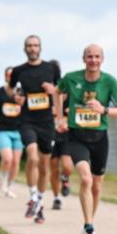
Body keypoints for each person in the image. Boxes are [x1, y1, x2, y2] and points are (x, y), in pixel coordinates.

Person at [55, 43, 117, 234]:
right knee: (85, 179)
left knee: (97, 185)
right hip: (76, 136)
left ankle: (90, 221)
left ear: (102, 60)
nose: (93, 60)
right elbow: (56, 92)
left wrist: (103, 109)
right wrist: (59, 117)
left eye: (97, 57)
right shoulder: (71, 78)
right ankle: (89, 229)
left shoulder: (110, 82)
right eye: (89, 57)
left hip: (100, 138)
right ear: (83, 59)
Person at [8, 35, 61, 224]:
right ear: (24, 49)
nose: (32, 48)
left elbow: (60, 92)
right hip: (27, 120)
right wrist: (16, 97)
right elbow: (11, 90)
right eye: (29, 45)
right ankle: (32, 197)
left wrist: (53, 90)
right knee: (32, 157)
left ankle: (39, 203)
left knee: (45, 167)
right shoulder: (18, 71)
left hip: (46, 121)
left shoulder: (51, 68)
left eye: (35, 45)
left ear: (40, 48)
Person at [0, 67, 24, 198]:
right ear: (5, 77)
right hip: (3, 130)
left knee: (15, 162)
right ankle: (3, 179)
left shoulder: (21, 93)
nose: (11, 78)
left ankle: (10, 186)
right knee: (7, 159)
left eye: (13, 76)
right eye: (9, 75)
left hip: (19, 131)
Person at [48, 60, 72, 210]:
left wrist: (67, 120)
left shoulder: (66, 88)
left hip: (66, 135)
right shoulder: (44, 90)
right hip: (50, 134)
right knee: (54, 168)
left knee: (68, 166)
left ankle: (65, 178)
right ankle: (57, 198)